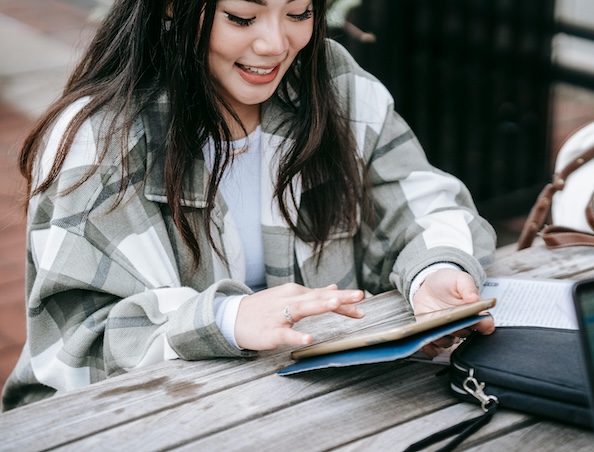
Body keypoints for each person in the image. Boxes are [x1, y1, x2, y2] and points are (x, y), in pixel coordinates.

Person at [1, 0, 496, 411]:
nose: (275, 44)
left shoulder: (332, 81)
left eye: (299, 13)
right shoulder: (98, 138)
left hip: (329, 406)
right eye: (242, 16)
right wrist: (225, 320)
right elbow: (76, 345)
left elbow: (423, 202)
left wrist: (436, 270)